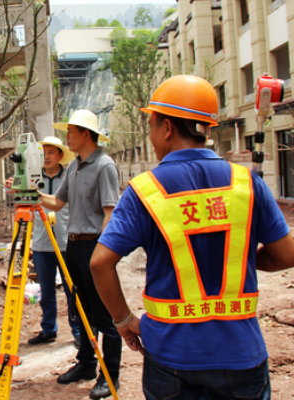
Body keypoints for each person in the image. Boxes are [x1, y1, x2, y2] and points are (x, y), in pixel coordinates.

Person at [90, 75, 294, 399]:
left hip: (170, 357)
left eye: (152, 125)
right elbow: (286, 255)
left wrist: (123, 319)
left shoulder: (145, 190)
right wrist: (236, 256)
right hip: (241, 355)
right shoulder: (247, 184)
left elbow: (100, 262)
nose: (152, 135)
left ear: (168, 128)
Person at [39, 110, 122, 399]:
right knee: (81, 311)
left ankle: (110, 374)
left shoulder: (105, 166)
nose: (66, 138)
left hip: (94, 247)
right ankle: (86, 363)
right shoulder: (73, 167)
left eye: (70, 132)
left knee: (103, 313)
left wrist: (103, 254)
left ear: (86, 134)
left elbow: (111, 214)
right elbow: (58, 203)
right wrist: (31, 193)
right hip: (72, 246)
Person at [23, 136, 81, 347]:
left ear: (60, 155)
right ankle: (49, 329)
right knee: (46, 291)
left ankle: (78, 330)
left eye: (50, 153)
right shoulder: (32, 177)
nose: (46, 157)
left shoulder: (70, 177)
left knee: (71, 288)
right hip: (41, 242)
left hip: (66, 241)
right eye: (42, 153)